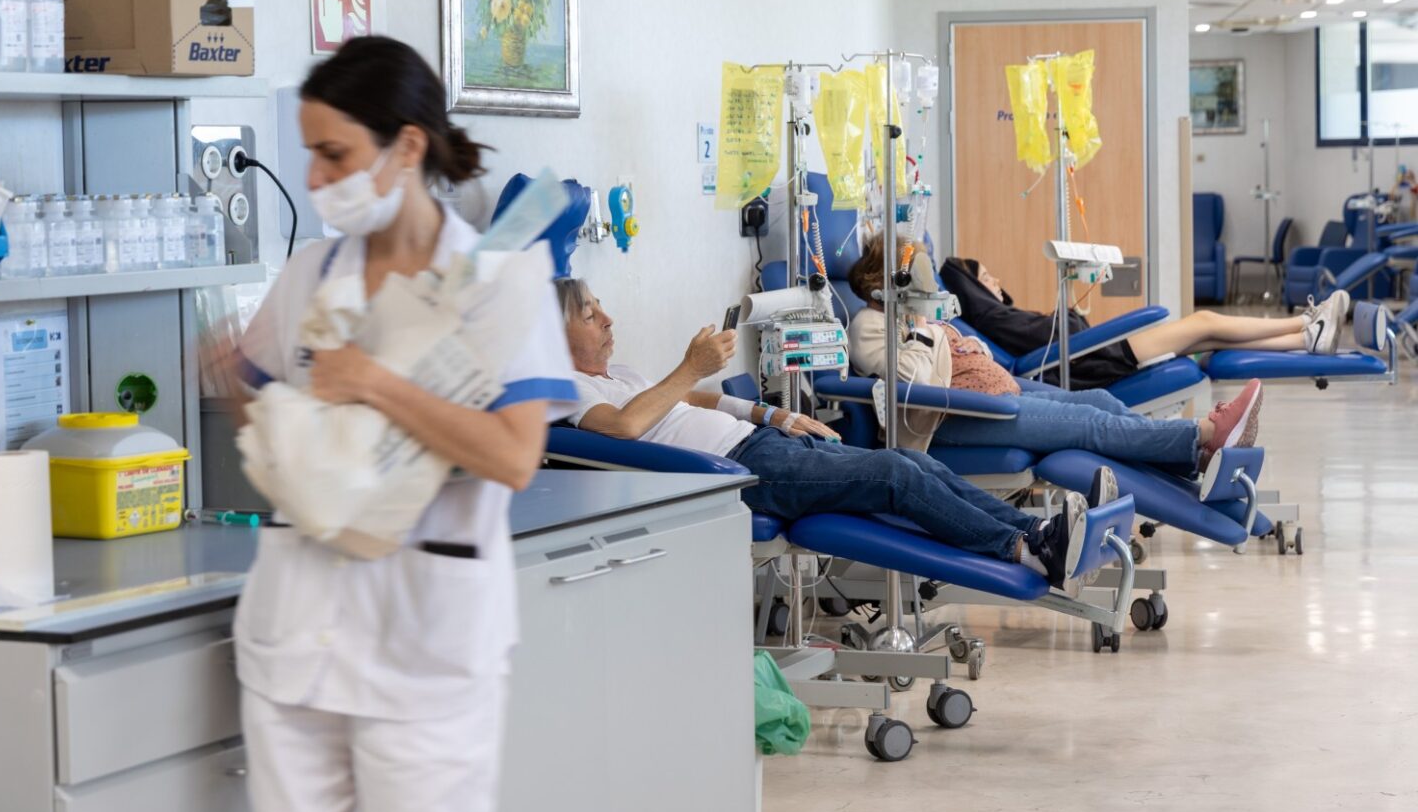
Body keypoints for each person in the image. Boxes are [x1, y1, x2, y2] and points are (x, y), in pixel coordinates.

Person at [227, 37, 578, 812]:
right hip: (295, 638)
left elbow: (514, 456)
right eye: (311, 154)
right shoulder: (311, 272)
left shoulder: (498, 283)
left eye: (334, 154)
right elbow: (251, 394)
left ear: (407, 147)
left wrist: (380, 388)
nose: (314, 177)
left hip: (426, 650)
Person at [555, 278, 1114, 595]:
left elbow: (683, 398)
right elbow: (625, 427)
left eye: (601, 307)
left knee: (908, 462)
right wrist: (691, 366)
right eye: (589, 314)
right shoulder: (566, 389)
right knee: (896, 474)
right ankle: (1024, 552)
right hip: (744, 473)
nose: (607, 319)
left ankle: (1037, 531)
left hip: (763, 444)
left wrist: (769, 414)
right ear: (554, 335)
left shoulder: (618, 375)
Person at [845, 240, 1264, 473]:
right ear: (887, 284)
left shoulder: (911, 319)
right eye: (918, 277)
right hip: (952, 420)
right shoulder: (869, 325)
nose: (927, 286)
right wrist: (924, 328)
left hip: (990, 394)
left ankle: (1187, 461)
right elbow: (915, 379)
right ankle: (1204, 434)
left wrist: (952, 340)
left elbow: (958, 355)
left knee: (1098, 401)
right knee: (1089, 424)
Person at [940, 255, 1350, 390]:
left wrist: (1070, 315)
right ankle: (1302, 320)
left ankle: (1305, 336)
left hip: (1095, 353)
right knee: (1204, 321)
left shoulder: (998, 315)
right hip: (1094, 361)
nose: (996, 281)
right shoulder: (995, 316)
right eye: (987, 277)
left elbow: (1055, 330)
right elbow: (1055, 336)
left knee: (1209, 336)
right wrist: (1070, 315)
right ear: (974, 289)